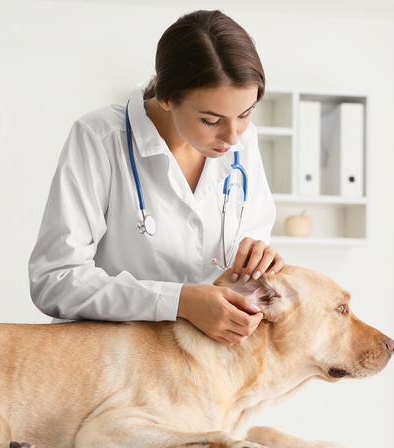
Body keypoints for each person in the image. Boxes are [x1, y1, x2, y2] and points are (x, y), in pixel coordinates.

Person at [29, 10, 284, 346]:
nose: (233, 136)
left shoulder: (241, 144)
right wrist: (179, 302)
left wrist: (259, 261)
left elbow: (248, 246)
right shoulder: (101, 137)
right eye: (211, 120)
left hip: (206, 364)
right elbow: (55, 280)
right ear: (166, 98)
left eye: (246, 113)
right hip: (114, 362)